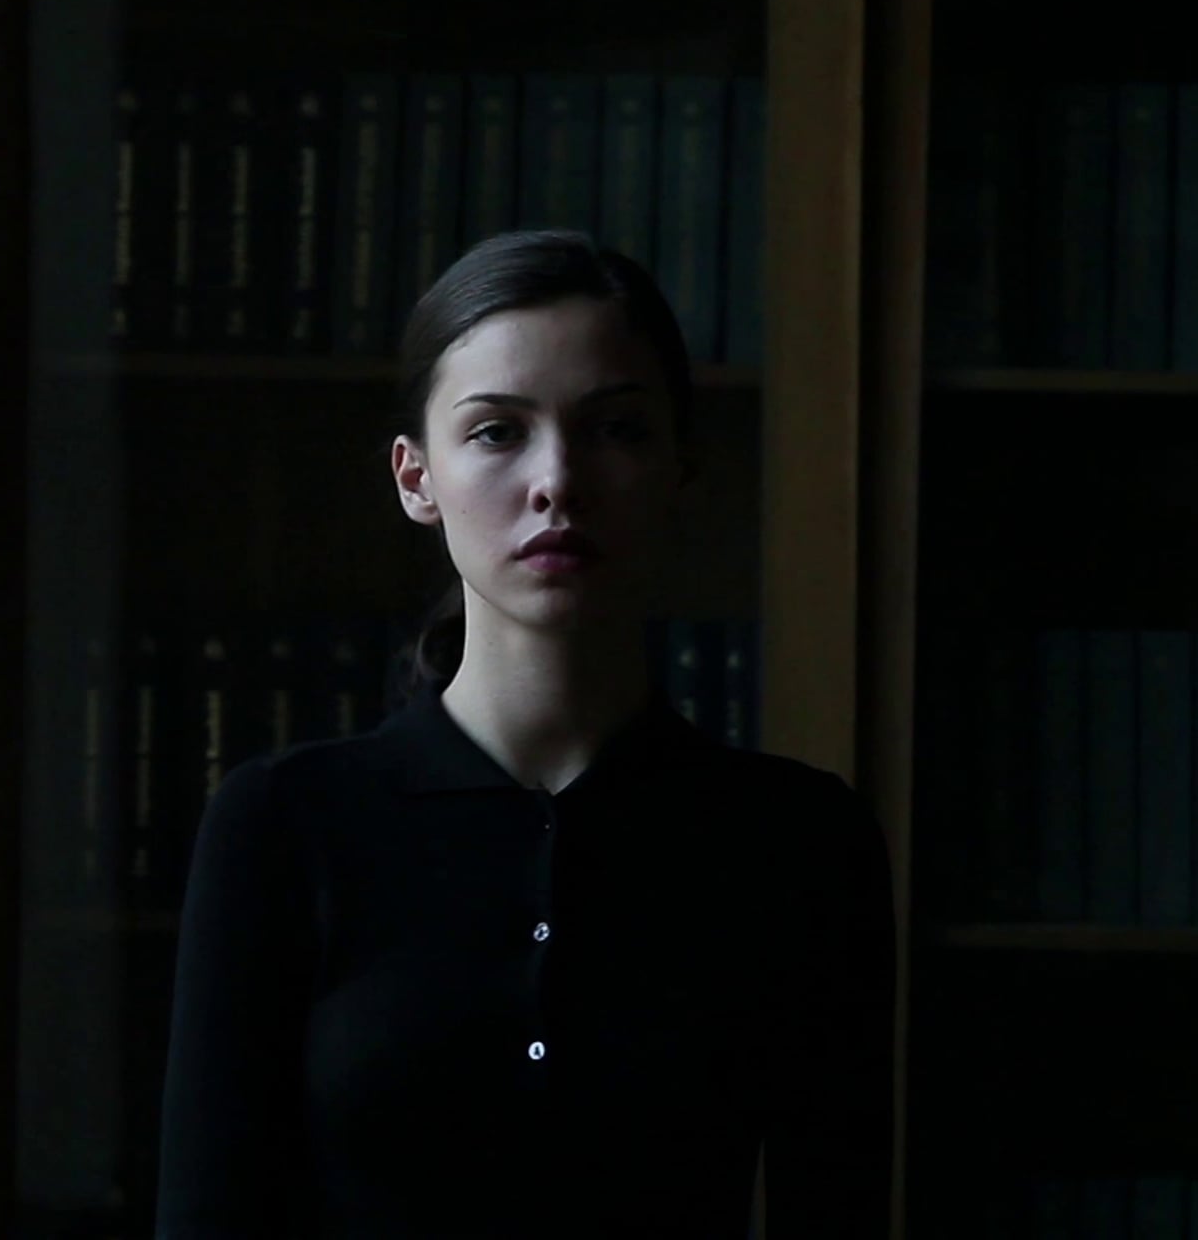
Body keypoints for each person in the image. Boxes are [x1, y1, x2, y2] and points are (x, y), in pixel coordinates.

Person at [155, 230, 895, 1237]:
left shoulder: (800, 840)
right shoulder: (283, 823)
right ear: (416, 477)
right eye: (498, 431)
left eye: (616, 429)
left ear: (681, 467)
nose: (558, 480)